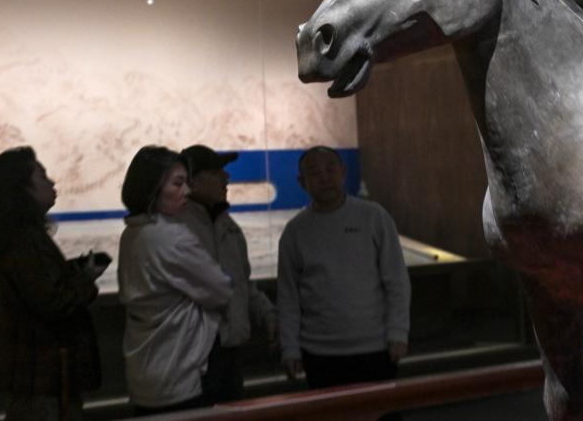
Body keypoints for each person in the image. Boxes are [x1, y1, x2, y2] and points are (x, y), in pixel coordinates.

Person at [0, 146, 108, 421]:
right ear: (22, 189)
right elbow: (53, 301)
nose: (52, 182)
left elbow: (39, 282)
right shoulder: (23, 240)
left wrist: (73, 270)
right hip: (42, 377)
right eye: (43, 177)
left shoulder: (20, 236)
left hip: (39, 377)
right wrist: (86, 279)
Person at [277, 145, 411, 391]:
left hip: (375, 346)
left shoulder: (374, 217)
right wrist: (290, 347)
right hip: (318, 351)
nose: (324, 178)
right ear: (302, 182)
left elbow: (396, 280)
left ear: (343, 172)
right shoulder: (295, 231)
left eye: (330, 170)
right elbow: (288, 296)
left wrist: (398, 331)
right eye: (315, 173)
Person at [116, 146, 233, 415]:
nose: (187, 191)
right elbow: (221, 289)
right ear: (152, 187)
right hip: (179, 370)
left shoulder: (133, 233)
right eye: (178, 183)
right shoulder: (172, 236)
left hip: (145, 369)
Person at [180, 144, 278, 402]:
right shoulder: (175, 229)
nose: (226, 177)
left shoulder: (227, 226)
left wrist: (267, 313)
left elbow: (243, 282)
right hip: (192, 356)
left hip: (230, 350)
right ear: (193, 181)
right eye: (216, 172)